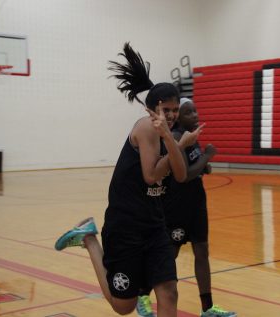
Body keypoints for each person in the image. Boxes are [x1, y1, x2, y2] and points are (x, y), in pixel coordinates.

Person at [54, 43, 202, 317]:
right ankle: (89, 239)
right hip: (126, 225)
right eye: (165, 109)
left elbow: (180, 176)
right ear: (152, 108)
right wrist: (175, 143)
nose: (170, 116)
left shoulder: (170, 133)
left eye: (174, 110)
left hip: (154, 224)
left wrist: (176, 143)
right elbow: (151, 176)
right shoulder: (147, 128)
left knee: (169, 290)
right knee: (123, 306)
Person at [136, 98, 236, 317]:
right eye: (190, 113)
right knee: (169, 254)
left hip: (197, 204)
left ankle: (207, 308)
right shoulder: (179, 137)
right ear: (179, 117)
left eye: (196, 111)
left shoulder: (191, 135)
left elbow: (194, 167)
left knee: (202, 251)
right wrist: (208, 156)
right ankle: (142, 294)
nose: (196, 116)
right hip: (177, 206)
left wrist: (204, 165)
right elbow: (186, 176)